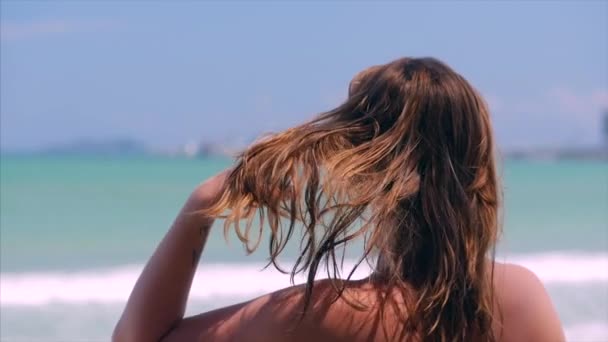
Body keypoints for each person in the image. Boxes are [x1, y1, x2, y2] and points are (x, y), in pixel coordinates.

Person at [113, 57, 565, 342]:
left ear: (363, 166)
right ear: (477, 170)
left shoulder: (327, 312)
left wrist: (201, 205)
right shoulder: (518, 299)